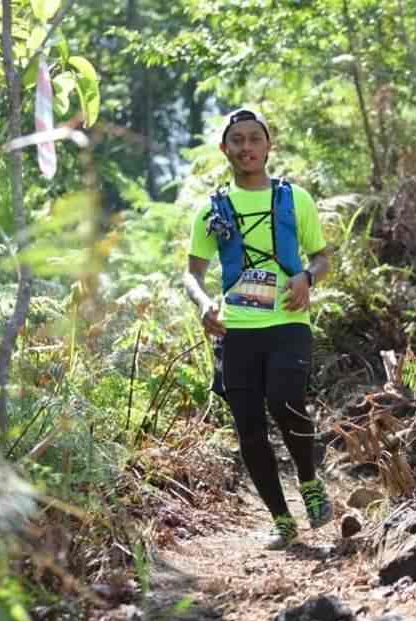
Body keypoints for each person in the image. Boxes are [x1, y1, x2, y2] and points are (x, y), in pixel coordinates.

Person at [183, 108, 334, 549]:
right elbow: (191, 272)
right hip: (237, 330)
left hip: (288, 320)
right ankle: (281, 519)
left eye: (254, 138)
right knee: (248, 427)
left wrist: (308, 277)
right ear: (224, 149)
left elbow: (322, 256)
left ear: (268, 145)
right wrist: (204, 302)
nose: (246, 147)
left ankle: (308, 481)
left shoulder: (294, 199)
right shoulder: (212, 209)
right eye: (237, 140)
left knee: (286, 401)